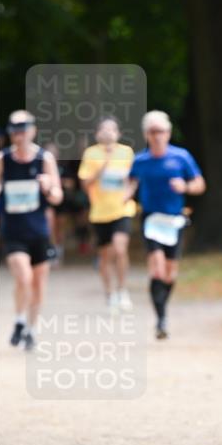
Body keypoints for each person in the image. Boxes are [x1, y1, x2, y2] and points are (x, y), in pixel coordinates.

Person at [125, 110, 205, 338]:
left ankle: (162, 310)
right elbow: (131, 182)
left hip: (174, 220)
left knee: (170, 274)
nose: (157, 135)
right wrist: (124, 195)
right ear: (146, 134)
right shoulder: (140, 160)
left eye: (161, 131)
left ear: (168, 133)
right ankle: (161, 320)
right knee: (157, 268)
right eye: (152, 131)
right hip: (151, 219)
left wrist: (185, 187)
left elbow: (199, 184)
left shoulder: (181, 157)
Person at [0, 109, 62, 349]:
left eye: (24, 129)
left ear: (32, 130)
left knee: (38, 284)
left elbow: (57, 197)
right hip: (13, 231)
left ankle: (32, 330)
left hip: (39, 232)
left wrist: (48, 187)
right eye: (15, 131)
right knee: (24, 277)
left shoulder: (44, 159)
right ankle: (19, 320)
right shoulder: (2, 159)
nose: (20, 135)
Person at [78, 118, 136, 310]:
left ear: (118, 133)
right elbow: (85, 184)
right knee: (106, 256)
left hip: (122, 209)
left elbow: (134, 178)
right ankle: (109, 293)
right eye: (104, 129)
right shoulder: (91, 153)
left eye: (112, 129)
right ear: (97, 134)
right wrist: (101, 169)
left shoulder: (126, 152)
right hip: (100, 212)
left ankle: (122, 290)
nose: (108, 133)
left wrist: (129, 193)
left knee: (120, 249)